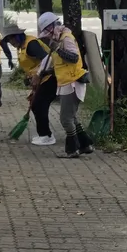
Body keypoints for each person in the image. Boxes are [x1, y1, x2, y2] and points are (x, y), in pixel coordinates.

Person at [35, 12, 94, 158]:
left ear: (53, 27)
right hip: (65, 83)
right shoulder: (59, 39)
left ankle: (72, 149)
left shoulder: (66, 39)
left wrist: (57, 49)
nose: (47, 36)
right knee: (72, 118)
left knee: (65, 119)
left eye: (47, 32)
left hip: (73, 83)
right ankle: (85, 145)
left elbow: (73, 58)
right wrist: (46, 71)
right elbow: (60, 65)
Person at [2, 28, 58, 146]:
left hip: (50, 78)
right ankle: (43, 134)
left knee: (39, 105)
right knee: (36, 105)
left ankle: (46, 136)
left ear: (18, 36)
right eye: (8, 41)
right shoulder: (22, 46)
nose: (11, 42)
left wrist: (38, 75)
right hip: (41, 79)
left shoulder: (31, 44)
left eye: (12, 39)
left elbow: (47, 59)